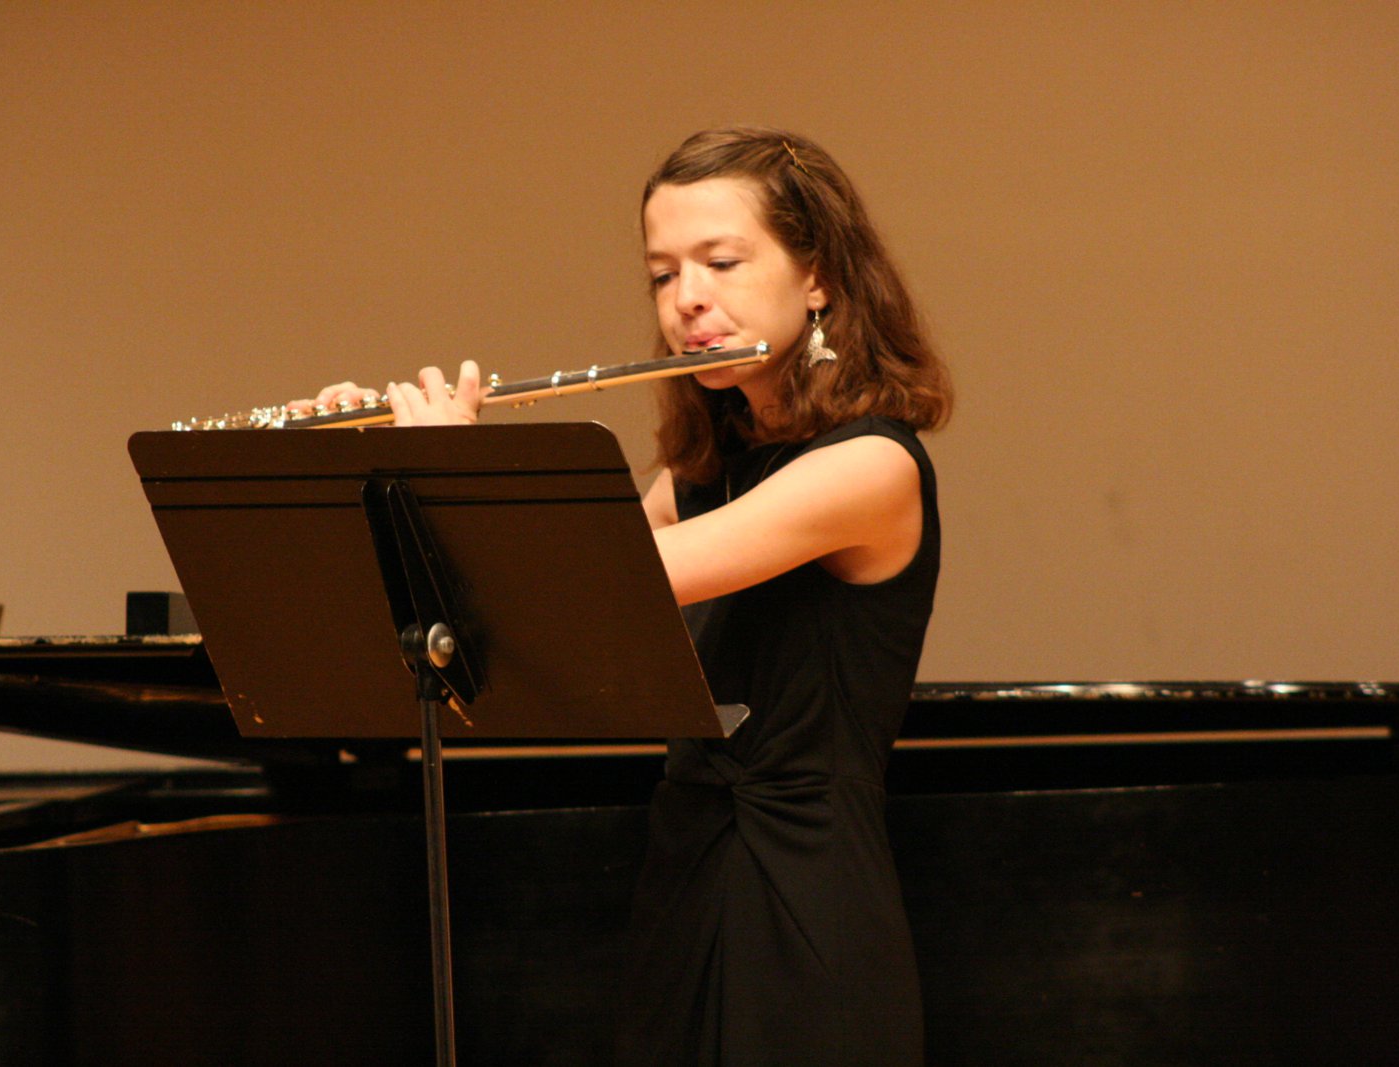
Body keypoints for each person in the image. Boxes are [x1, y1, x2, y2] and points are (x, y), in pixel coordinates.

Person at [302, 126, 951, 1065]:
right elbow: (523, 616)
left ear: (818, 275)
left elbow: (610, 576)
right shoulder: (697, 473)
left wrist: (454, 468)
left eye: (721, 262)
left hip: (806, 895)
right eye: (662, 274)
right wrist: (363, 478)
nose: (688, 299)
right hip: (685, 870)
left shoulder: (871, 468)